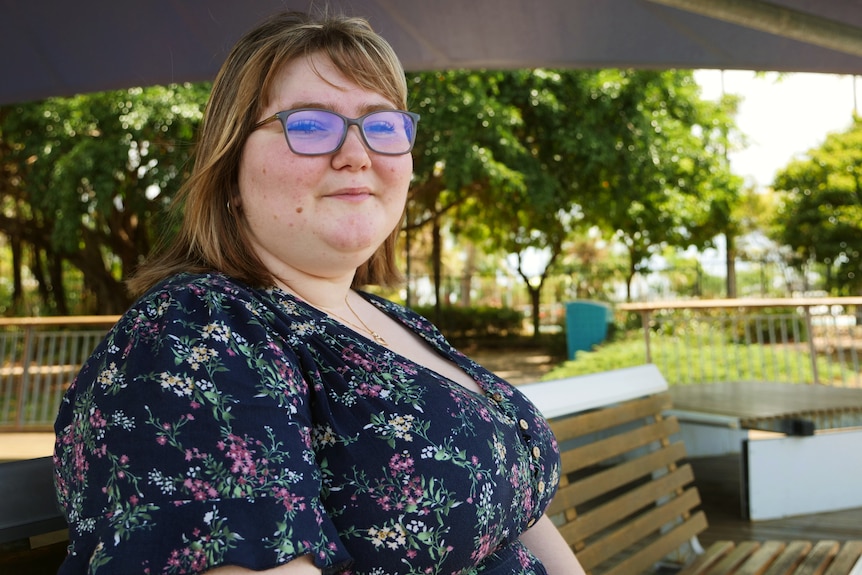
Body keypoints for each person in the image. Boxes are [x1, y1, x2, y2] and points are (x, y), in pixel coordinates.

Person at [53, 10, 585, 575]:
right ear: (230, 173)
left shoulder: (392, 321)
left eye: (382, 125)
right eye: (309, 125)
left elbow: (520, 513)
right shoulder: (196, 330)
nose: (357, 153)